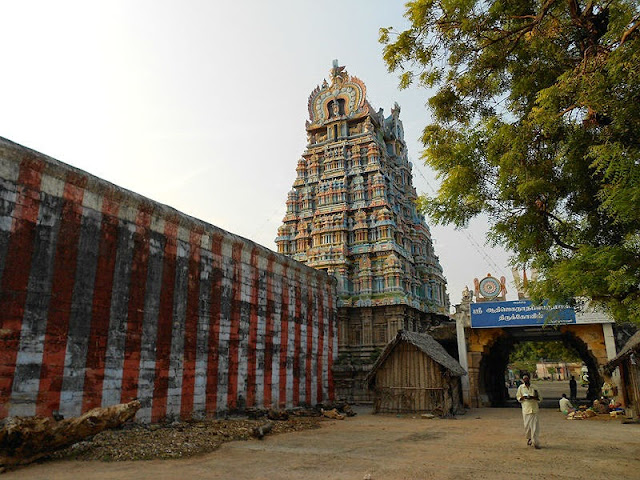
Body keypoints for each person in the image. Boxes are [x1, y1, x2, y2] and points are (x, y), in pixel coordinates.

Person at [516, 375, 543, 449]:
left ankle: (535, 442)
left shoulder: (535, 387)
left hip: (534, 409)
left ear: (529, 379)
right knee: (527, 426)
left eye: (527, 379)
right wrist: (523, 398)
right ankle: (529, 438)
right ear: (523, 380)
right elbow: (518, 397)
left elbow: (540, 398)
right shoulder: (521, 388)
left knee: (535, 427)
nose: (526, 380)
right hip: (526, 409)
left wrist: (533, 397)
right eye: (524, 379)